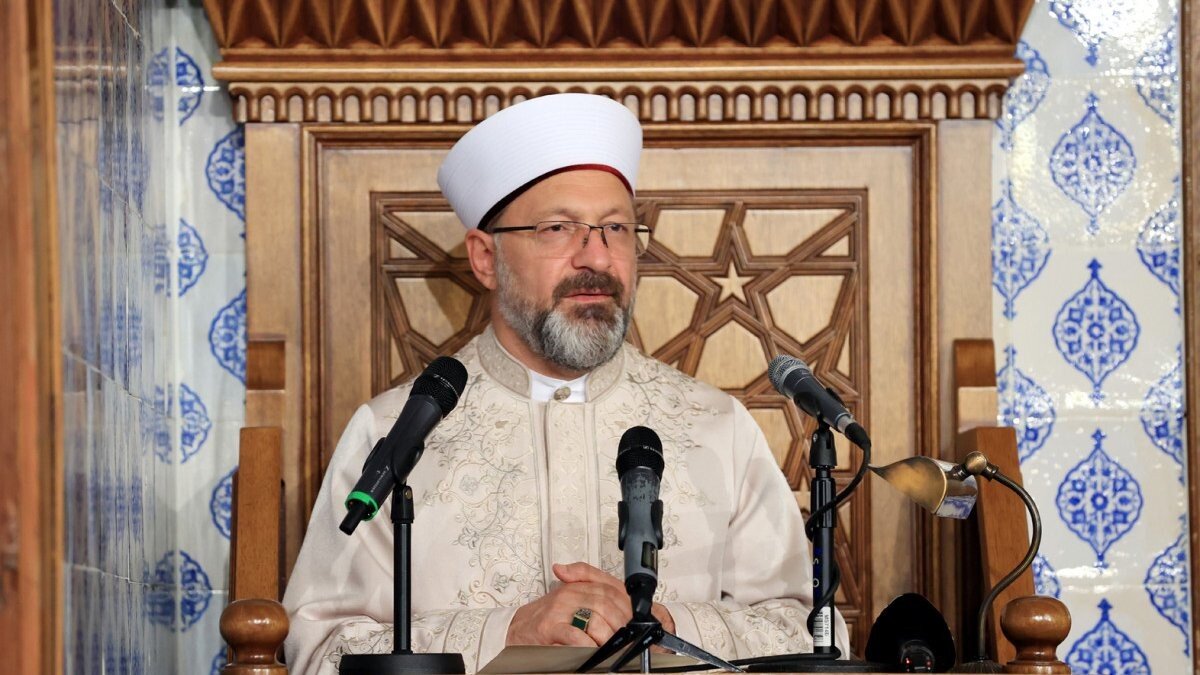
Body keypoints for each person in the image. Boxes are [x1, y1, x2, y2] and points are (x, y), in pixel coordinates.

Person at [282, 93, 850, 674]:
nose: (597, 258)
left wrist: (665, 628)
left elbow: (813, 636)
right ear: (485, 258)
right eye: (558, 228)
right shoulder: (392, 431)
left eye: (616, 229)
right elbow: (316, 651)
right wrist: (508, 631)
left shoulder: (717, 427)